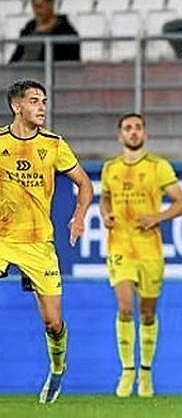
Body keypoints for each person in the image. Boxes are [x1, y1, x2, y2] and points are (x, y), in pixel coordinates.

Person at [0, 79, 94, 403]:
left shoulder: (54, 145)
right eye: (34, 101)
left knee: (53, 322)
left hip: (39, 241)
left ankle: (57, 368)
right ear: (17, 106)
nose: (41, 107)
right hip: (2, 237)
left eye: (43, 101)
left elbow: (85, 185)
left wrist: (78, 216)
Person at [100, 113, 182, 398]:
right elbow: (104, 198)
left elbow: (181, 204)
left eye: (138, 128)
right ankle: (127, 372)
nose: (133, 132)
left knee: (147, 313)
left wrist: (156, 217)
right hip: (120, 246)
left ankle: (146, 373)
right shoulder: (109, 168)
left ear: (145, 134)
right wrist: (105, 214)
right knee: (125, 308)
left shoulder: (158, 167)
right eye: (128, 128)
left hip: (150, 249)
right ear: (120, 135)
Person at [9, 0, 80, 64]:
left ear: (51, 4)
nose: (37, 11)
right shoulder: (29, 27)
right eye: (34, 7)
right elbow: (16, 55)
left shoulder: (66, 31)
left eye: (40, 7)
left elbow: (70, 62)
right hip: (21, 72)